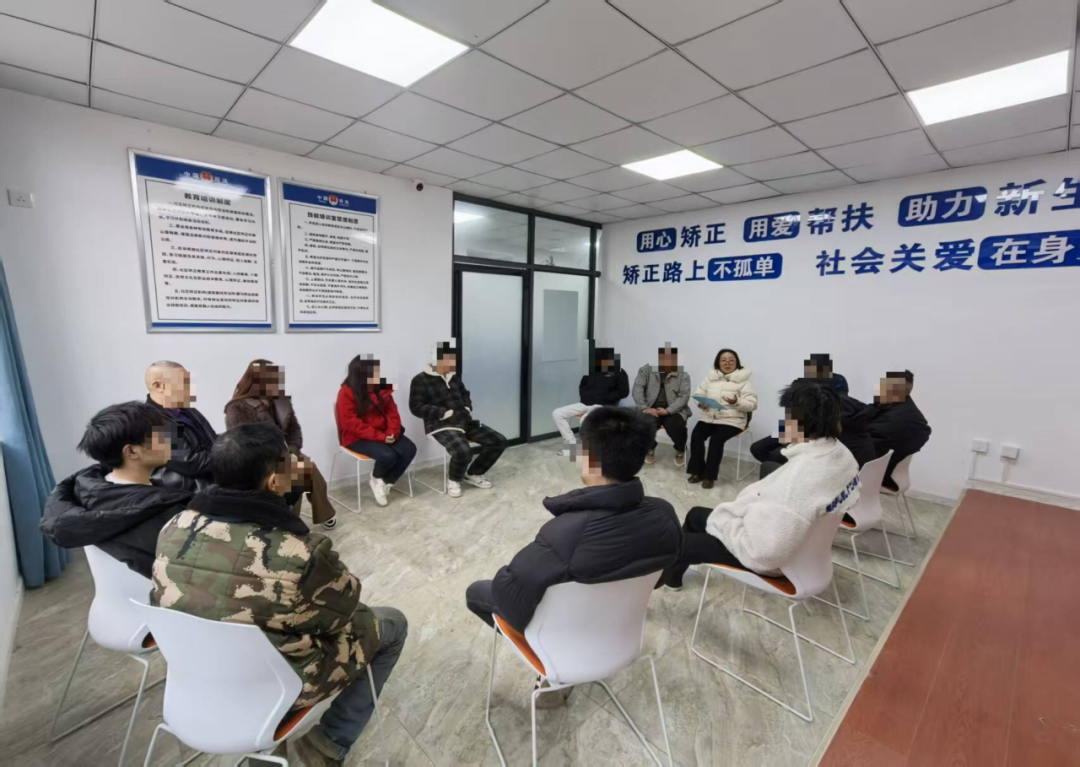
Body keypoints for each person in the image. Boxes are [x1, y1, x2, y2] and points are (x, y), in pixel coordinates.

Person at [151, 423, 407, 766]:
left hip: (197, 671)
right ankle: (329, 744)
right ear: (274, 481)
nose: (298, 465)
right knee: (391, 623)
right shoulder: (299, 551)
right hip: (278, 684)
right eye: (291, 460)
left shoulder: (174, 526)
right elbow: (343, 609)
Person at [465, 406, 680, 706]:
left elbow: (511, 602)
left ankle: (553, 671)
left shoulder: (565, 534)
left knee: (476, 592)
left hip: (566, 651)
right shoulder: (665, 514)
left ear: (588, 458)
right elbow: (659, 579)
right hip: (624, 639)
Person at [660, 379, 860, 589]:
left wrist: (731, 526)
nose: (783, 421)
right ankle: (673, 576)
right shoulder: (842, 454)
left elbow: (765, 553)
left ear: (798, 421)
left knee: (682, 545)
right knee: (695, 515)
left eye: (787, 416)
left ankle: (664, 578)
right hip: (808, 551)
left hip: (772, 561)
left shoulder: (798, 480)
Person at [41, 401, 193, 578]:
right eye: (162, 435)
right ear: (131, 452)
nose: (172, 439)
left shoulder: (84, 492)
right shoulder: (168, 515)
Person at [225, 359, 337, 530]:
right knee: (301, 473)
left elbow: (294, 430)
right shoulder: (237, 408)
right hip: (260, 463)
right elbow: (245, 445)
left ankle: (307, 516)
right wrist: (282, 459)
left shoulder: (281, 400)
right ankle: (297, 520)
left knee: (308, 468)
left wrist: (292, 451)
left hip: (287, 452)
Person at [408, 342, 507, 499]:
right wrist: (442, 413)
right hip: (440, 424)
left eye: (453, 360)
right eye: (448, 360)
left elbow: (465, 393)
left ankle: (473, 473)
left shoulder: (453, 377)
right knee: (463, 451)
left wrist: (467, 407)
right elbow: (415, 407)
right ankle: (454, 480)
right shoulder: (420, 380)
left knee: (498, 441)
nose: (452, 363)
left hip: (464, 421)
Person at [335, 355, 417, 507]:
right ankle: (376, 478)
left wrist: (392, 433)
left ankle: (384, 482)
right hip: (356, 438)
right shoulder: (346, 393)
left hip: (383, 433)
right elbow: (351, 424)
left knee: (409, 449)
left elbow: (392, 414)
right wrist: (380, 437)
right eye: (374, 373)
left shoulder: (382, 389)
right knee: (388, 455)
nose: (378, 376)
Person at [750, 353, 851, 468]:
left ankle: (788, 469)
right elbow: (791, 408)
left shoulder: (839, 381)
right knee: (757, 448)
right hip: (796, 425)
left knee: (777, 455)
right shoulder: (800, 383)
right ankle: (784, 469)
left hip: (819, 430)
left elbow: (841, 405)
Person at [688, 349, 758, 489]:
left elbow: (752, 404)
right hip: (709, 416)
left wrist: (736, 402)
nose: (727, 363)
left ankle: (709, 476)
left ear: (736, 363)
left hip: (732, 419)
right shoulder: (710, 378)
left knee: (716, 440)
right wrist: (701, 404)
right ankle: (697, 472)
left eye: (731, 360)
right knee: (696, 436)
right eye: (723, 360)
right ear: (718, 363)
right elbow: (699, 394)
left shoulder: (744, 382)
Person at [144, 360, 216, 491]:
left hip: (212, 485)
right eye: (183, 382)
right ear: (158, 386)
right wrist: (234, 456)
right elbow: (191, 463)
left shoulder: (189, 411)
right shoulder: (153, 420)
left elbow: (212, 441)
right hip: (188, 494)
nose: (190, 388)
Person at [551, 346, 629, 446]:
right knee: (557, 413)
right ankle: (572, 445)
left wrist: (604, 398)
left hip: (603, 406)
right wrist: (584, 396)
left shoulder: (619, 372)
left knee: (585, 421)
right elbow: (582, 385)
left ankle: (590, 450)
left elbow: (624, 392)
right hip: (585, 403)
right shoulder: (591, 370)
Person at [868, 370, 931, 490]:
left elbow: (867, 445)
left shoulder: (892, 420)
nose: (879, 389)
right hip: (895, 473)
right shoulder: (909, 411)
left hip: (874, 475)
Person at [632, 344, 691, 466]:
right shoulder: (646, 370)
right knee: (642, 424)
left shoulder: (683, 375)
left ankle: (680, 449)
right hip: (650, 408)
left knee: (676, 426)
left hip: (674, 409)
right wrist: (644, 407)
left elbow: (684, 396)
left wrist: (668, 410)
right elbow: (638, 388)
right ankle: (649, 447)